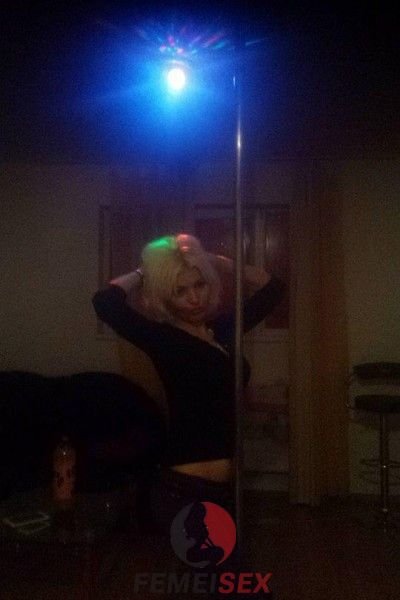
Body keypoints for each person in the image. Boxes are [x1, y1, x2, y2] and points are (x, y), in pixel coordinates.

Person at [92, 233, 285, 531]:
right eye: (180, 291)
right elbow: (105, 302)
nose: (194, 298)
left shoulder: (222, 330)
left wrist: (216, 262)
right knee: (218, 561)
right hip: (182, 489)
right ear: (165, 295)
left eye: (199, 284)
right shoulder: (163, 339)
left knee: (225, 560)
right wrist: (146, 271)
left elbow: (273, 289)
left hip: (224, 489)